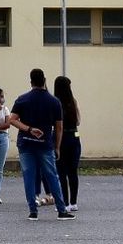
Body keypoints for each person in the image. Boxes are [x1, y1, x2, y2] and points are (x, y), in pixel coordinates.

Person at [8, 68, 74, 221]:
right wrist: (57, 147)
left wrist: (28, 129)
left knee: (29, 176)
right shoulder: (53, 101)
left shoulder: (22, 99)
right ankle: (61, 209)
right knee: (52, 176)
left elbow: (12, 120)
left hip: (25, 143)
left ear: (31, 81)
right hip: (45, 144)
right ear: (44, 80)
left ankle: (33, 210)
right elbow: (59, 127)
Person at [54, 76, 83, 211]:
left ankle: (64, 202)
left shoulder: (55, 102)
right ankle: (73, 202)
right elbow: (78, 121)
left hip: (60, 137)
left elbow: (54, 123)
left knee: (61, 172)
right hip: (74, 136)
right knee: (73, 171)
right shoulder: (73, 101)